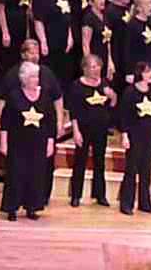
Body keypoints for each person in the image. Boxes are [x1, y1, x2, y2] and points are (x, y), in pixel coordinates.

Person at [0, 61, 57, 221]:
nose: (36, 79)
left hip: (38, 143)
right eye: (32, 77)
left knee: (36, 175)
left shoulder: (45, 96)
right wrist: (3, 142)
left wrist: (50, 142)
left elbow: (51, 121)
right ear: (24, 78)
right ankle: (12, 208)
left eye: (37, 76)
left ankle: (32, 207)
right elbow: (5, 121)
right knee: (15, 174)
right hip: (18, 142)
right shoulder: (14, 95)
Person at [67, 53, 117, 207]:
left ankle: (100, 195)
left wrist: (112, 95)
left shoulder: (105, 84)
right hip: (83, 128)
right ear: (85, 68)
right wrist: (76, 131)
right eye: (93, 67)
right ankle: (76, 195)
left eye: (99, 66)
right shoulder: (77, 86)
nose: (97, 70)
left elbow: (113, 104)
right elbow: (73, 111)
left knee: (99, 162)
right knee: (80, 161)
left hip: (100, 128)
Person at [119, 60, 151, 215]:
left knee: (146, 169)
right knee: (131, 170)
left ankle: (145, 203)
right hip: (134, 134)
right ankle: (126, 203)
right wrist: (124, 136)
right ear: (140, 73)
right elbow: (124, 116)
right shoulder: (130, 92)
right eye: (147, 71)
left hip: (150, 133)